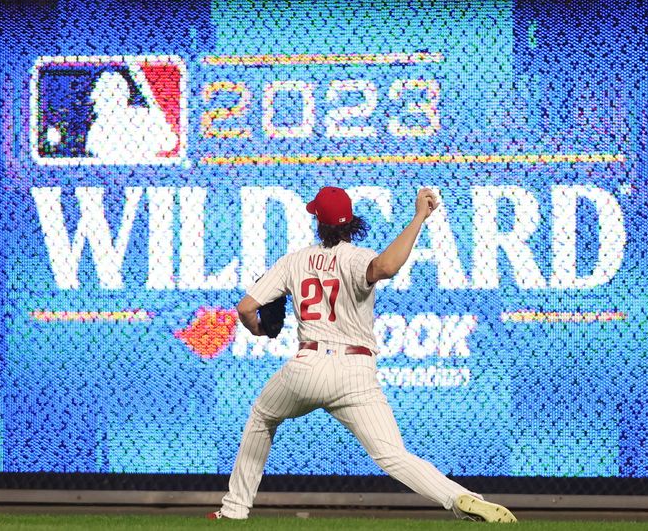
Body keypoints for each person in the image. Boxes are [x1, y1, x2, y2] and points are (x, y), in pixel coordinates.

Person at [208, 187, 516, 523]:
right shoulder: (356, 257)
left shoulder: (293, 261)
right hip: (356, 373)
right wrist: (419, 218)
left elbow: (246, 307)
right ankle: (461, 498)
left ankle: (235, 509)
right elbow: (385, 266)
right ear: (350, 221)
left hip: (306, 367)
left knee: (263, 417)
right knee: (392, 455)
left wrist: (258, 329)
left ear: (316, 220)